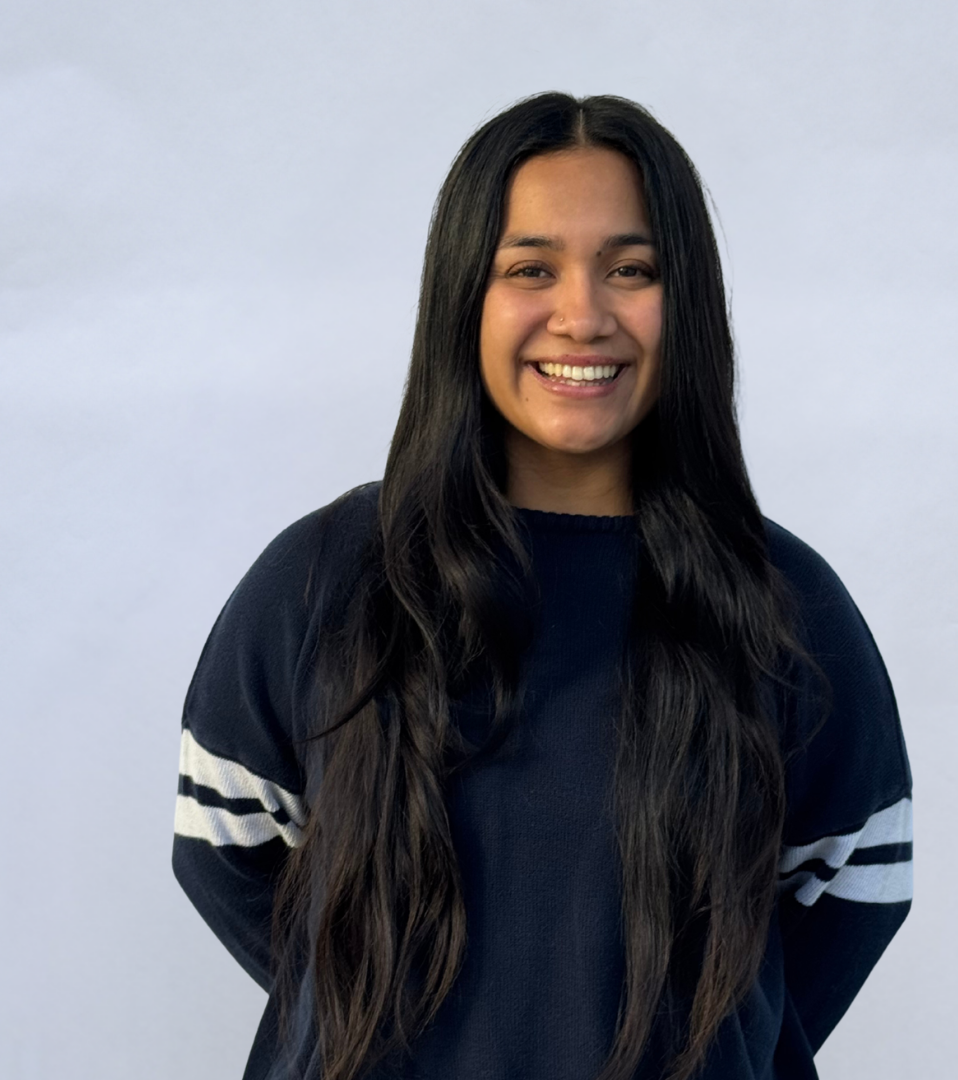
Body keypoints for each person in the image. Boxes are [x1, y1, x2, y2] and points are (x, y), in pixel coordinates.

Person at [172, 92, 912, 1080]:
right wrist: (372, 1013)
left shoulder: (783, 602)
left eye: (631, 269)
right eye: (531, 268)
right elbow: (223, 842)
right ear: (463, 296)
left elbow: (858, 880)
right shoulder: (322, 580)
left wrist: (705, 1042)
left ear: (686, 302)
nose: (583, 316)